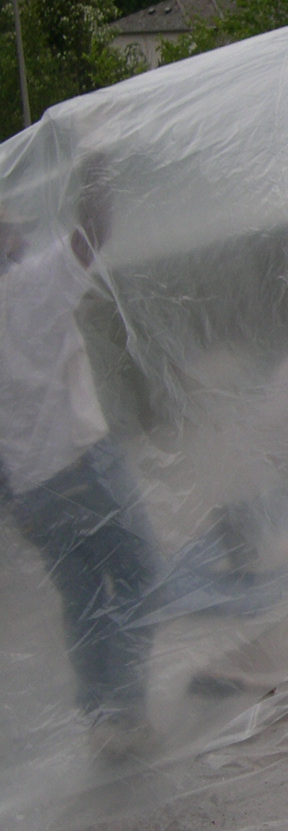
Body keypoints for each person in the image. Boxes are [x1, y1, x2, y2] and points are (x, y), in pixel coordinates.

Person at [0, 165, 159, 755]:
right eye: (11, 231)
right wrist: (98, 162)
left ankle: (102, 719)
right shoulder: (28, 286)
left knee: (83, 596)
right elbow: (92, 232)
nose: (21, 238)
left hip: (32, 487)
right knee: (142, 571)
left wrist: (12, 499)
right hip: (81, 464)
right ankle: (121, 706)